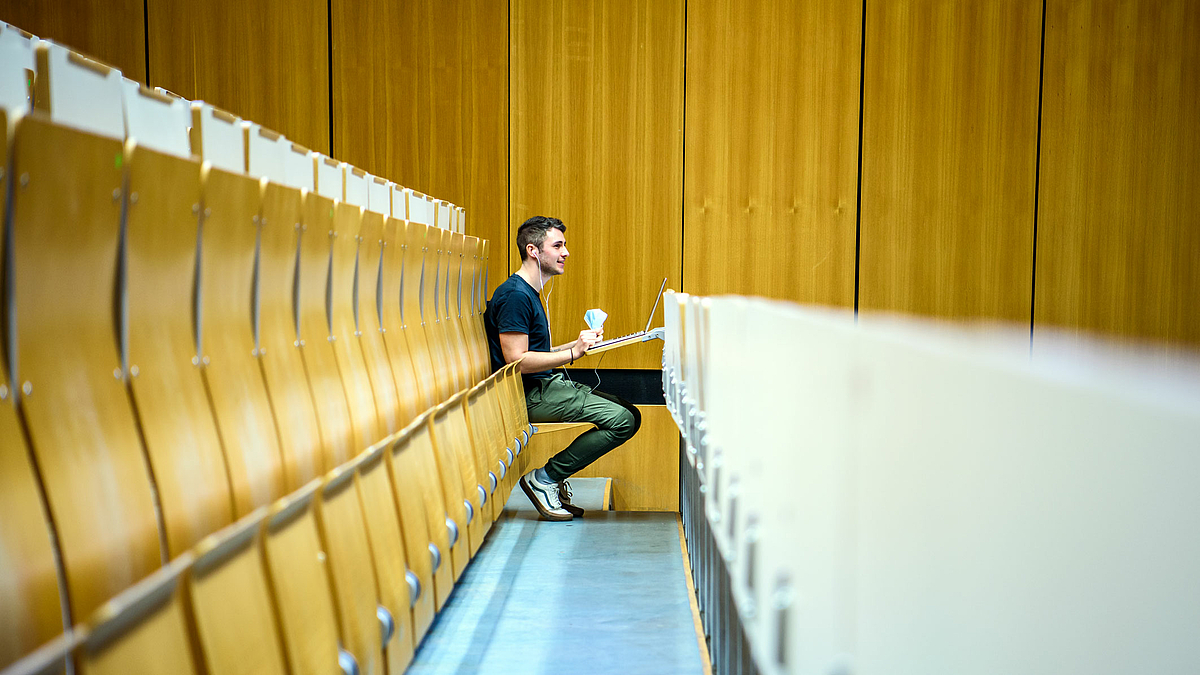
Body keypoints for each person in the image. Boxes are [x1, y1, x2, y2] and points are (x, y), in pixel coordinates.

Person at [484, 216, 642, 521]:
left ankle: (549, 478)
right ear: (533, 250)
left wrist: (576, 346)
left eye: (564, 245)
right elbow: (517, 361)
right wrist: (571, 352)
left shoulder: (529, 292)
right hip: (528, 394)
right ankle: (545, 479)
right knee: (622, 420)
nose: (565, 252)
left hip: (542, 385)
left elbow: (534, 353)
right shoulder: (516, 295)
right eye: (557, 245)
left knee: (629, 413)